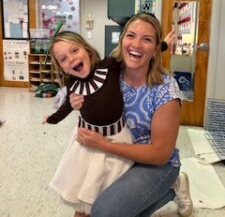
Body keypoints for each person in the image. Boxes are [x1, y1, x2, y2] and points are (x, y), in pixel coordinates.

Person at [70, 13, 193, 217]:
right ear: (122, 39)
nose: (136, 44)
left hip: (154, 164)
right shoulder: (108, 74)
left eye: (147, 39)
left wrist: (104, 144)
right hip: (116, 154)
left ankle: (172, 186)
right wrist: (78, 101)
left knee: (104, 212)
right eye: (131, 35)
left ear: (156, 49)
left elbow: (160, 153)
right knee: (82, 209)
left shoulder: (166, 90)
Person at [42, 31, 133, 217]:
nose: (72, 59)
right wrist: (52, 118)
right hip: (86, 145)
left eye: (74, 50)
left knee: (109, 193)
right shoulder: (72, 85)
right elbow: (66, 107)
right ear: (62, 68)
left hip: (116, 140)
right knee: (84, 195)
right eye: (63, 59)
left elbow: (134, 53)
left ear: (87, 50)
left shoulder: (110, 66)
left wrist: (162, 44)